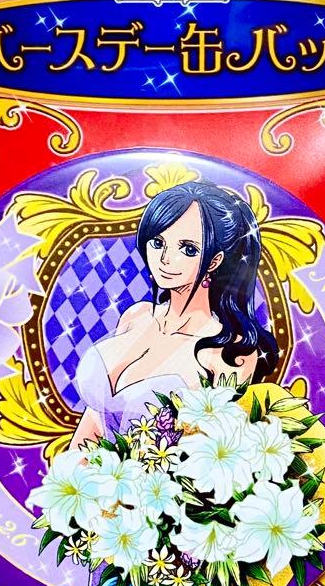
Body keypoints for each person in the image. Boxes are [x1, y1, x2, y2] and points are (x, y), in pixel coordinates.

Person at [69, 180, 279, 449]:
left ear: (214, 261)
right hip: (84, 472)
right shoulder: (136, 317)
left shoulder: (229, 351)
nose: (165, 258)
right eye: (158, 242)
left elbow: (215, 450)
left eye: (188, 249)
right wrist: (65, 471)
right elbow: (94, 420)